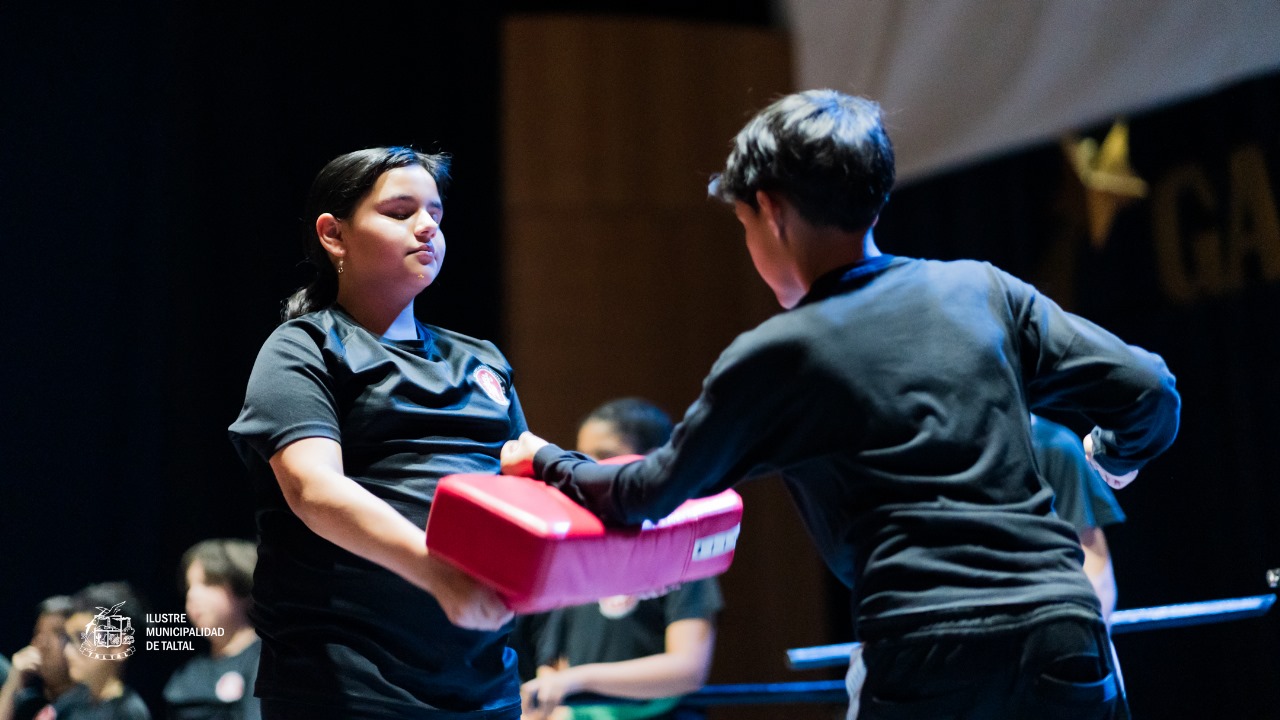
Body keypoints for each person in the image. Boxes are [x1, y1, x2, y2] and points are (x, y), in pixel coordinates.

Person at [501, 90, 1180, 719]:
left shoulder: (777, 355)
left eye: (743, 223)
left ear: (770, 209)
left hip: (929, 646)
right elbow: (1149, 389)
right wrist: (1113, 455)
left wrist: (547, 459)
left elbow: (647, 492)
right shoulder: (981, 291)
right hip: (1063, 628)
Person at [228, 146, 526, 719]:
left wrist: (616, 558)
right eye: (399, 211)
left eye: (436, 214)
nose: (427, 228)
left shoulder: (480, 359)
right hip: (347, 687)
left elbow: (524, 487)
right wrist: (439, 572)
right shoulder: (302, 348)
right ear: (333, 235)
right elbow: (314, 491)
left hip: (484, 685)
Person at [514, 398, 721, 720]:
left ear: (655, 463)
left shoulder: (681, 551)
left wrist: (578, 680)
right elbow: (554, 665)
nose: (588, 470)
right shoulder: (576, 549)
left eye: (605, 456)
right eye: (582, 457)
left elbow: (688, 668)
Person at [163, 539, 262, 720]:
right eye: (188, 587)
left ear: (244, 586)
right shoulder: (188, 673)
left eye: (208, 583)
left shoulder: (266, 661)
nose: (192, 595)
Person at [60, 581, 152, 719]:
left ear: (118, 645)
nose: (67, 651)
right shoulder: (69, 705)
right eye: (68, 639)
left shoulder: (129, 713)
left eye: (81, 638)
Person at [0, 595, 86, 720]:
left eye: (57, 633)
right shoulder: (28, 705)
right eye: (38, 632)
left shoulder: (90, 705)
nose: (42, 643)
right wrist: (13, 681)